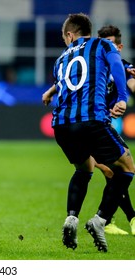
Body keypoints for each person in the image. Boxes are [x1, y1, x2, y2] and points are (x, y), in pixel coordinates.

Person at [48, 13, 134, 252]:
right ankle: (100, 220)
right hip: (92, 120)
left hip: (62, 125)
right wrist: (122, 98)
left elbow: (68, 83)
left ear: (69, 34)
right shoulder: (103, 44)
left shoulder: (60, 59)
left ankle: (71, 218)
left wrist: (48, 93)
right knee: (126, 167)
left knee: (84, 168)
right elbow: (116, 65)